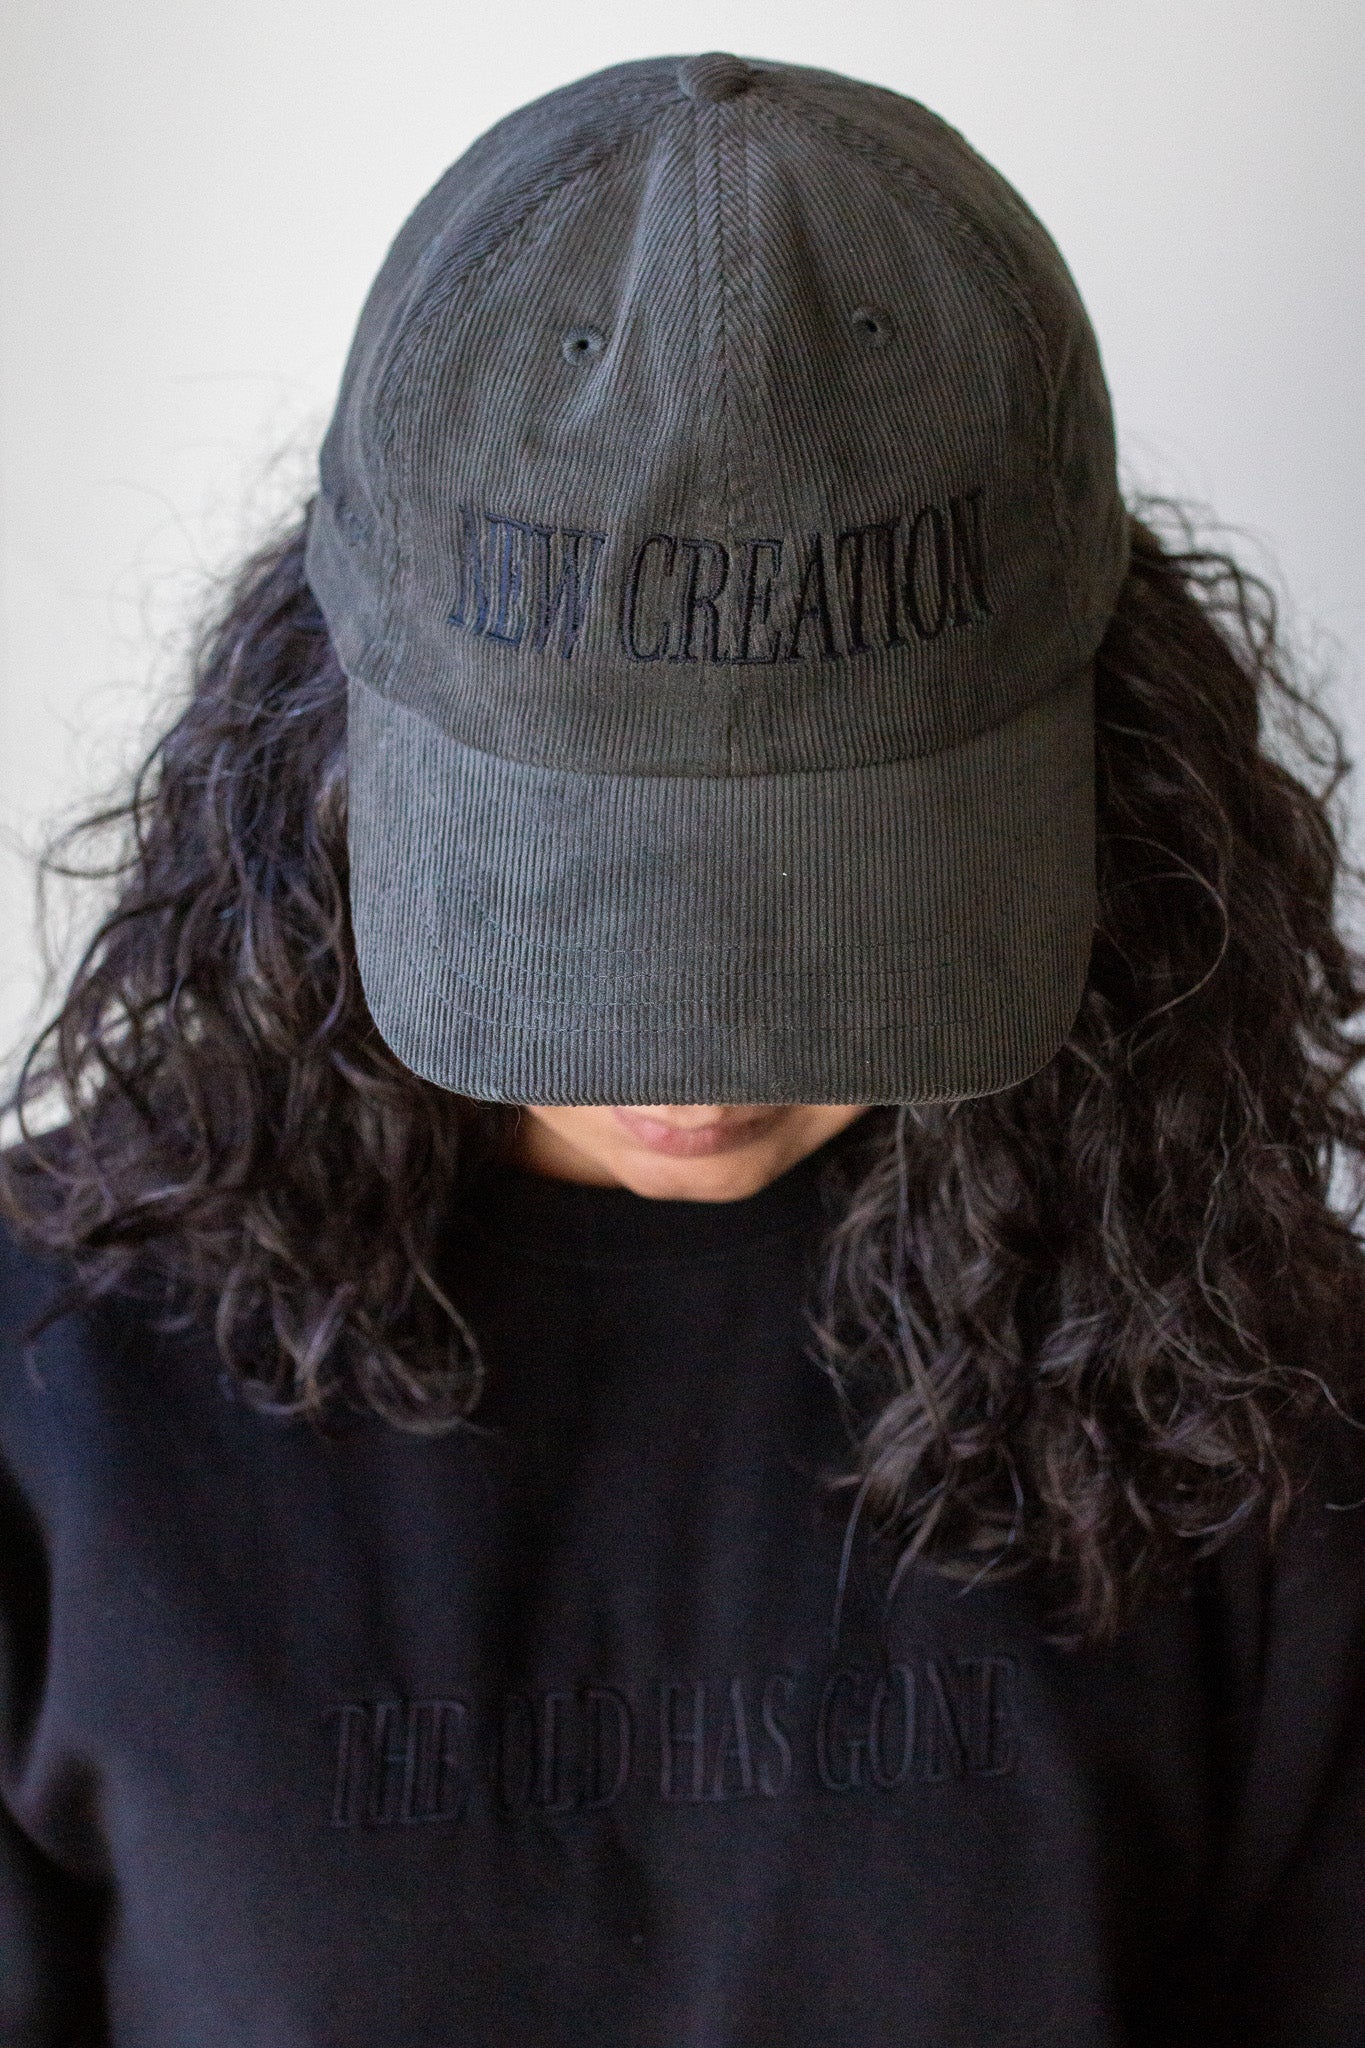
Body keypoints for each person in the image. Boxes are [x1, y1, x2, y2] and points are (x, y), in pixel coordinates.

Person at [1, 49, 1363, 2048]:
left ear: (1109, 771)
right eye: (587, 911)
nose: (699, 1073)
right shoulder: (53, 1395)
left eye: (830, 920)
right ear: (329, 747)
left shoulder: (1255, 1399)